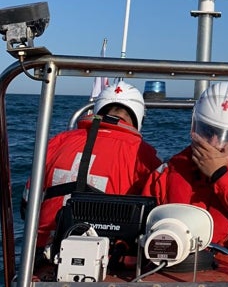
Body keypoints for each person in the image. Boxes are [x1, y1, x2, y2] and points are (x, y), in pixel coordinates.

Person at [143, 81, 228, 254]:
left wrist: (220, 175)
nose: (214, 143)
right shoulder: (167, 171)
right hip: (175, 267)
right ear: (195, 127)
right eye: (207, 132)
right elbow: (142, 226)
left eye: (226, 136)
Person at [22, 80, 162, 251]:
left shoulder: (56, 142)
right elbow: (155, 216)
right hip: (108, 259)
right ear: (139, 117)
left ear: (97, 109)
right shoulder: (144, 154)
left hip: (42, 251)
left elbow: (26, 204)